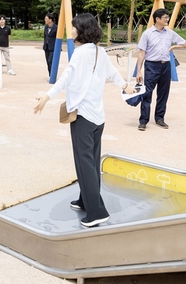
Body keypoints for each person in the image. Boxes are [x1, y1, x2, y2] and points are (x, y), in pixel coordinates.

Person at [33, 13, 136, 228]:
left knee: (84, 164)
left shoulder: (80, 54)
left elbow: (65, 78)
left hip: (83, 117)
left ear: (81, 31)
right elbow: (113, 73)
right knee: (92, 160)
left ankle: (97, 212)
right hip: (98, 117)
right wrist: (125, 85)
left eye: (73, 28)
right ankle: (84, 200)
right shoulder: (100, 51)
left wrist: (47, 96)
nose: (70, 31)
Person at [136, 8, 186, 131]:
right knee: (147, 93)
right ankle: (143, 120)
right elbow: (141, 53)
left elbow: (185, 43)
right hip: (151, 66)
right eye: (165, 17)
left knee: (163, 93)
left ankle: (159, 118)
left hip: (166, 66)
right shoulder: (147, 34)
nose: (167, 19)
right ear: (157, 19)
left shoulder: (169, 33)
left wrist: (175, 46)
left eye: (168, 17)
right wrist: (139, 70)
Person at [43, 13, 57, 79]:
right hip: (46, 47)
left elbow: (58, 38)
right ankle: (50, 75)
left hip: (53, 47)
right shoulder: (46, 27)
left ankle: (52, 75)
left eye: (46, 19)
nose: (45, 20)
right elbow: (45, 37)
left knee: (50, 61)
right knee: (48, 62)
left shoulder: (56, 27)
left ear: (50, 20)